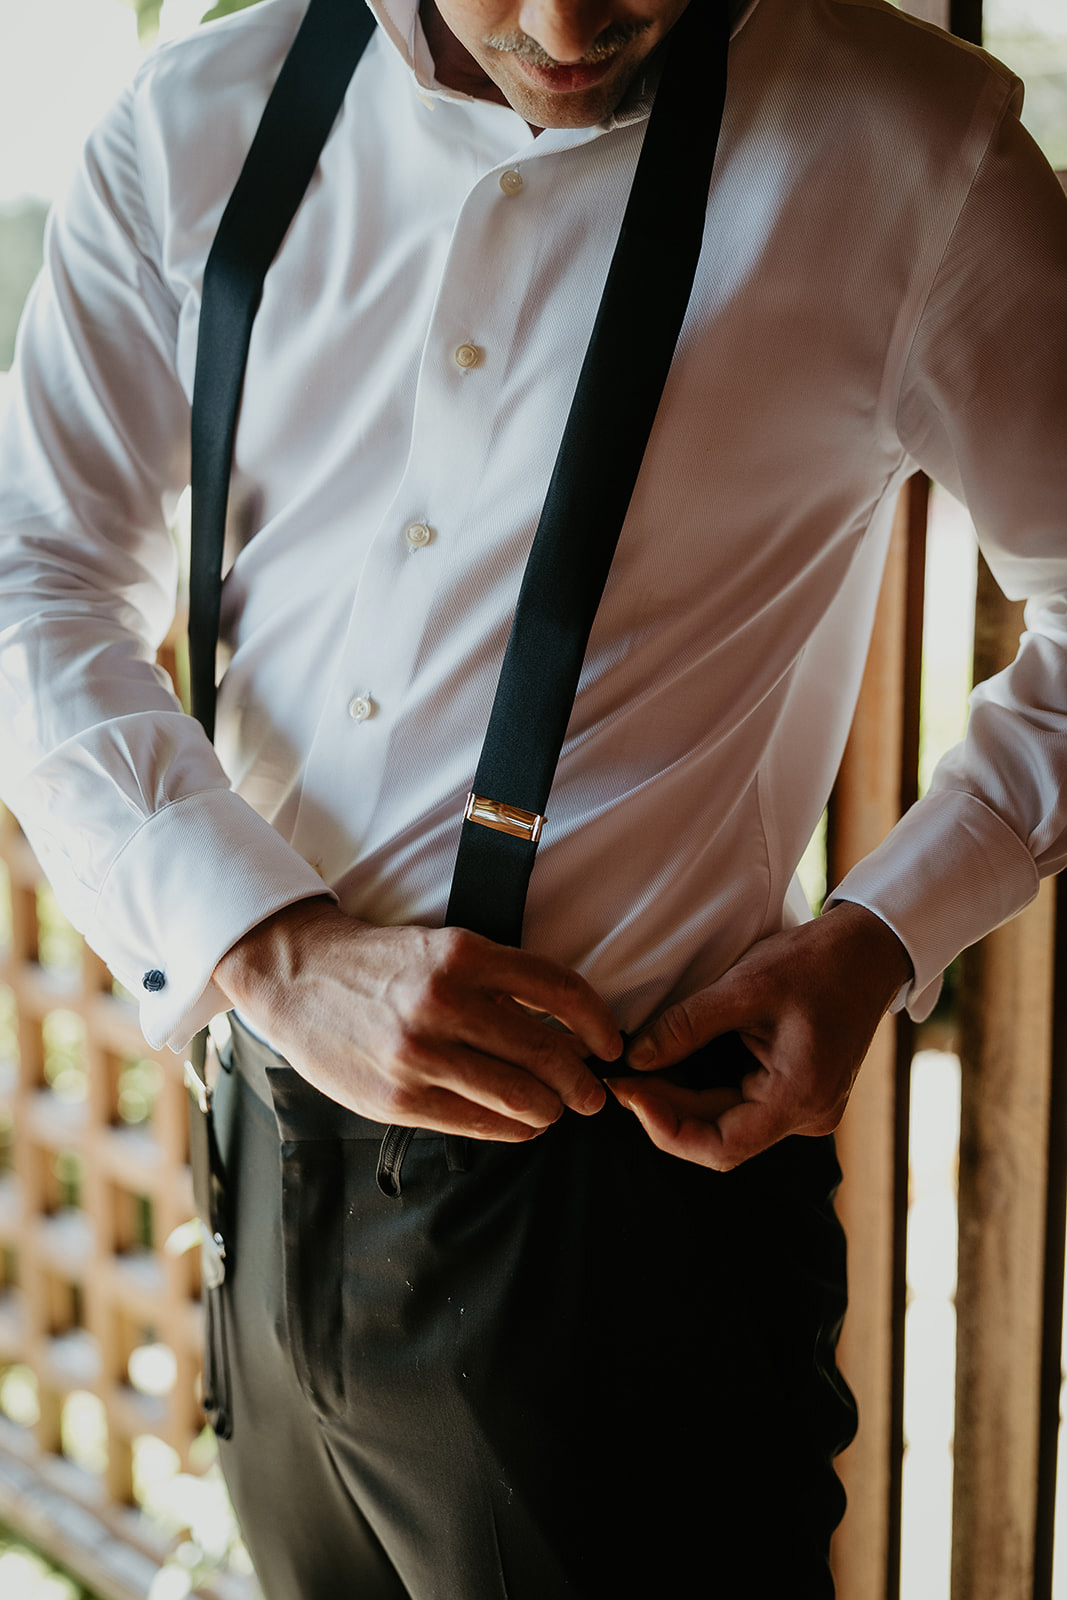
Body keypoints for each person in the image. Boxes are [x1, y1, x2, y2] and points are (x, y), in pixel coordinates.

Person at [1, 0, 1064, 1592]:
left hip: (621, 1245)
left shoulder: (915, 153)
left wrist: (881, 934)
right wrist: (271, 954)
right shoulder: (188, 124)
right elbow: (38, 578)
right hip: (260, 1173)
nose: (570, 21)